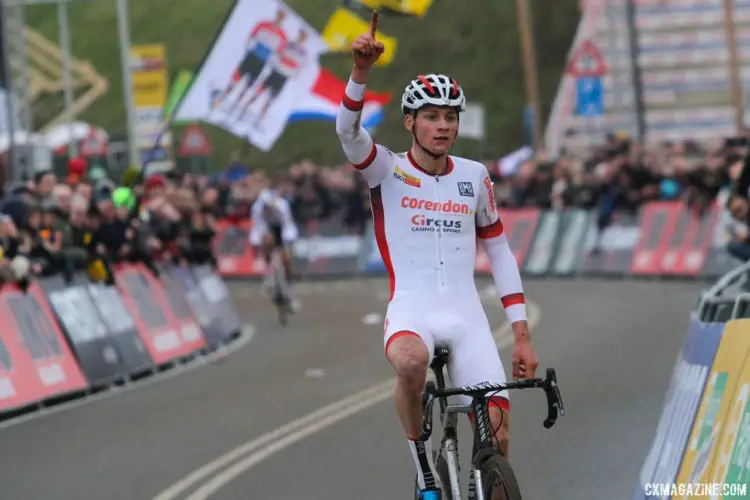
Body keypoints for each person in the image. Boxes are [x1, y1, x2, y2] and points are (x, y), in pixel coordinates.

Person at [335, 12, 540, 500]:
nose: (442, 125)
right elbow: (347, 132)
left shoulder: (474, 176)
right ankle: (424, 469)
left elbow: (499, 250)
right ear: (411, 122)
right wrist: (360, 73)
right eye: (431, 116)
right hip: (413, 310)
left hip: (468, 316)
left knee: (499, 437)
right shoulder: (386, 168)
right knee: (410, 364)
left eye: (450, 117)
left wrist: (522, 336)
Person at [249, 182, 300, 311]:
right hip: (267, 230)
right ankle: (269, 274)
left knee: (287, 260)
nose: (268, 210)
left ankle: (291, 291)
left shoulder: (282, 206)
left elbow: (286, 230)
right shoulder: (257, 209)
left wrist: (284, 250)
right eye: (266, 207)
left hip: (284, 230)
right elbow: (258, 231)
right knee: (265, 245)